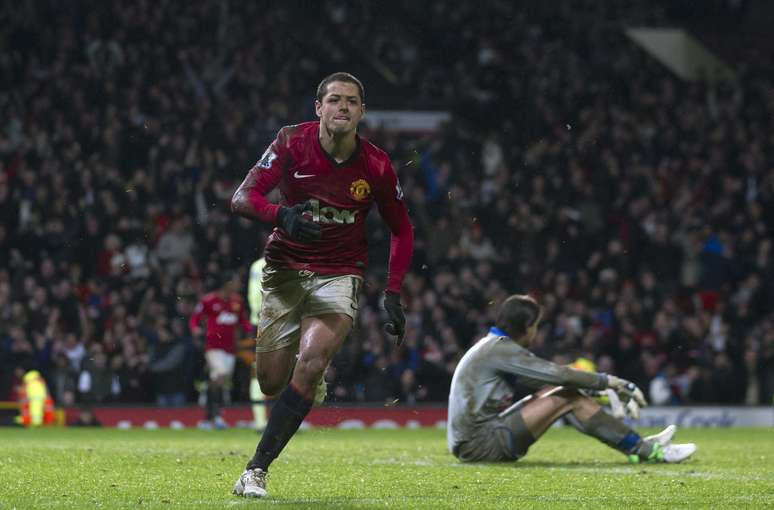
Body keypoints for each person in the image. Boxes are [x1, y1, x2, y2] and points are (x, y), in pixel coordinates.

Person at [230, 72, 413, 498]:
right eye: (334, 100)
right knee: (271, 383)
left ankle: (255, 470)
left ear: (362, 111)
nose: (342, 107)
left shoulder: (377, 165)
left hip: (341, 271)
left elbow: (402, 229)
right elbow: (241, 198)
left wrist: (393, 291)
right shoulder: (292, 143)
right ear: (319, 108)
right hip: (285, 270)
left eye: (351, 101)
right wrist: (281, 215)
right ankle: (305, 377)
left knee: (310, 365)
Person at [447, 294, 697, 464]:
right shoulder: (499, 349)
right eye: (536, 326)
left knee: (564, 392)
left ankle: (639, 445)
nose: (536, 332)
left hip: (476, 440)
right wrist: (610, 382)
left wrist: (603, 395)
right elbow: (560, 374)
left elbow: (546, 383)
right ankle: (643, 450)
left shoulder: (492, 347)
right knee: (566, 394)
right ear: (525, 326)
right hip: (480, 444)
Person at [189, 271, 251, 429]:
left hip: (230, 349)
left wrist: (254, 329)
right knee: (221, 373)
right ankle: (215, 416)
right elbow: (195, 318)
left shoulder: (237, 301)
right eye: (237, 282)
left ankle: (209, 417)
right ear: (228, 283)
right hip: (213, 347)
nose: (239, 285)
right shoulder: (209, 300)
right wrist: (195, 329)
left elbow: (243, 322)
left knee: (219, 381)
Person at [247, 256, 268, 432]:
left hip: (260, 320)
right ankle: (262, 420)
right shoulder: (283, 261)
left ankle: (261, 420)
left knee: (258, 370)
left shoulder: (257, 265)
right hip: (271, 320)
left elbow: (252, 294)